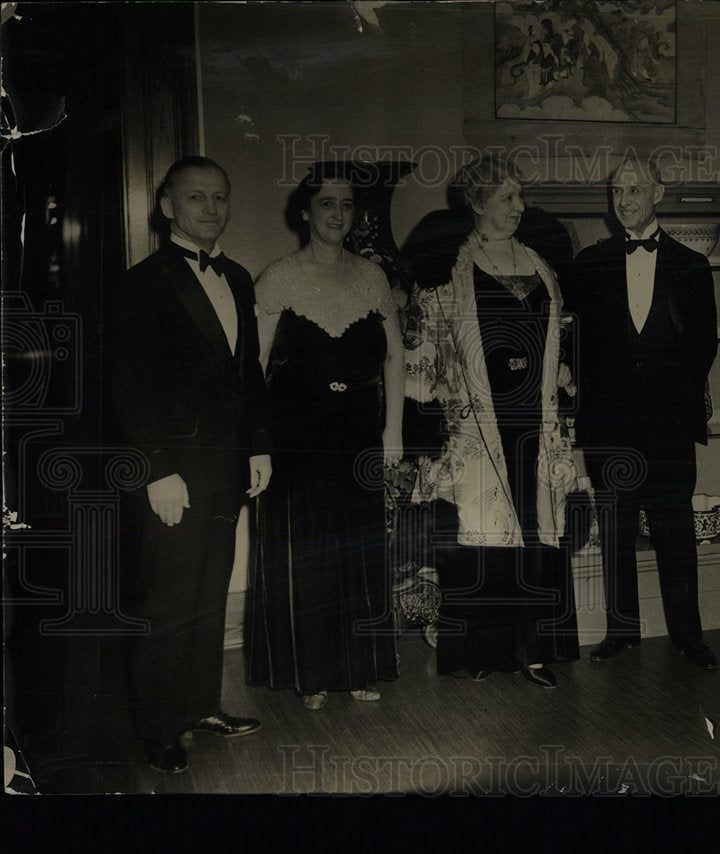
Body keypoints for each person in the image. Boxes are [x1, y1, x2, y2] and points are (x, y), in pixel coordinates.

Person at [112, 156, 271, 775]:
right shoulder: (142, 282)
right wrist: (156, 470)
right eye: (197, 197)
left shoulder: (237, 277)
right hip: (173, 472)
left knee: (208, 593)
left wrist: (259, 444)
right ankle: (157, 727)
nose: (211, 208)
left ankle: (199, 705)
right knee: (169, 599)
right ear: (167, 206)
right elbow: (130, 386)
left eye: (220, 197)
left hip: (227, 467)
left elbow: (248, 372)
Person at [404, 155, 580, 688]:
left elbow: (561, 344)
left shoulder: (542, 264)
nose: (519, 208)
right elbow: (424, 352)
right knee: (478, 543)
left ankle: (532, 652)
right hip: (476, 425)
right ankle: (480, 651)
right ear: (476, 204)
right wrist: (422, 431)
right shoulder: (447, 271)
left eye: (520, 197)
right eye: (507, 198)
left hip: (535, 421)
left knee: (534, 535)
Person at [247, 162, 403, 708]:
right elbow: (255, 366)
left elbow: (395, 357)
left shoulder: (372, 276)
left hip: (358, 433)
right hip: (297, 437)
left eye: (346, 205)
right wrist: (258, 442)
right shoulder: (277, 277)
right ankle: (311, 674)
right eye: (328, 203)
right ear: (305, 211)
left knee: (358, 549)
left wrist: (393, 433)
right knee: (307, 554)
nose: (339, 214)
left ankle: (358, 670)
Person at [565, 154, 719, 670]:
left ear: (658, 194)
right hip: (609, 426)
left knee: (676, 531)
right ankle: (621, 631)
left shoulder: (691, 265)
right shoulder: (588, 264)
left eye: (634, 190)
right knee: (616, 531)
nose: (624, 200)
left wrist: (667, 397)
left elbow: (703, 349)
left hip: (670, 426)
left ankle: (688, 636)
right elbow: (577, 350)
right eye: (616, 192)